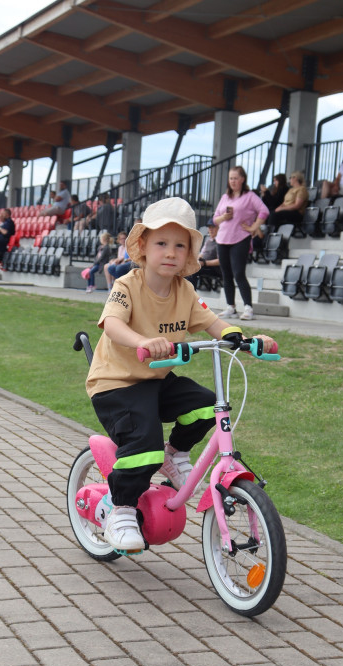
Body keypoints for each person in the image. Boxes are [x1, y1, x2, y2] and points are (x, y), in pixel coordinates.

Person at [85, 196, 276, 552]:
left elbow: (214, 324)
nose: (170, 253)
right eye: (161, 243)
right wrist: (143, 341)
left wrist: (245, 339)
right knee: (144, 445)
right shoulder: (127, 285)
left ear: (188, 253)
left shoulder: (184, 290)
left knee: (207, 406)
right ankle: (121, 510)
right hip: (116, 383)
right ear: (143, 246)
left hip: (156, 379)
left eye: (180, 245)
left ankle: (175, 454)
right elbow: (111, 324)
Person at [213, 165, 269, 321]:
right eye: (230, 178)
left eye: (235, 178)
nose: (232, 181)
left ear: (242, 179)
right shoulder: (225, 197)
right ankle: (230, 307)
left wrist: (254, 227)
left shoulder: (250, 196)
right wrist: (224, 217)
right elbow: (215, 219)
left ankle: (248, 308)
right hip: (222, 238)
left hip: (240, 238)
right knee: (226, 274)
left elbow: (264, 211)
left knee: (238, 273)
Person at [187, 218, 222, 290]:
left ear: (219, 228)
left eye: (213, 227)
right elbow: (201, 254)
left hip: (214, 269)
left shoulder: (220, 242)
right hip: (204, 265)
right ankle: (184, 292)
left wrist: (204, 263)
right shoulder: (208, 241)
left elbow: (221, 261)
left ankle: (191, 294)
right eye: (209, 227)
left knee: (193, 270)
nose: (210, 230)